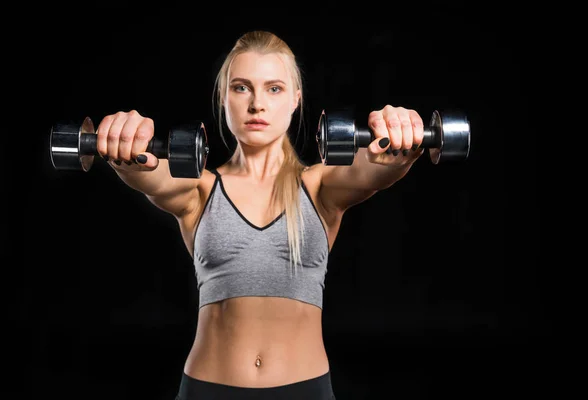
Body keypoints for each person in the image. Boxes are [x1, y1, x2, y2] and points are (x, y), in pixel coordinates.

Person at [94, 30, 424, 400]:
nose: (257, 105)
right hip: (207, 389)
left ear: (296, 99)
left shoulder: (320, 187)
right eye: (241, 88)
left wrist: (401, 139)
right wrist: (124, 146)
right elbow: (149, 174)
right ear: (224, 97)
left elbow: (375, 170)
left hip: (304, 390)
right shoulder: (199, 189)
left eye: (274, 88)